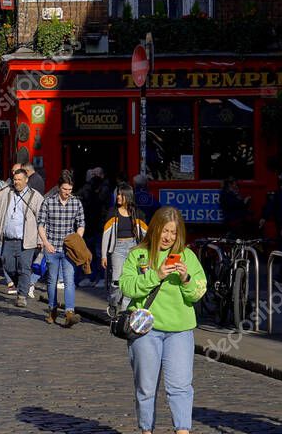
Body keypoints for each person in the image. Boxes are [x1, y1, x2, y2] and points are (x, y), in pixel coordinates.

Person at [119, 206, 207, 434]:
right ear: (156, 229)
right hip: (144, 330)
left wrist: (186, 278)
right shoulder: (138, 255)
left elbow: (198, 292)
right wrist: (155, 275)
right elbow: (127, 287)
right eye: (165, 231)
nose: (169, 237)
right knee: (146, 388)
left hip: (179, 330)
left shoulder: (187, 256)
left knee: (180, 386)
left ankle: (183, 430)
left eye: (174, 233)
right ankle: (146, 430)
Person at [0, 167, 44, 308]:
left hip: (27, 240)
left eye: (19, 180)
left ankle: (22, 296)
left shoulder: (35, 196)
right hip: (8, 238)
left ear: (26, 180)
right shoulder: (6, 193)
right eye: (15, 179)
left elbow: (43, 219)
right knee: (8, 266)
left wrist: (40, 239)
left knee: (24, 267)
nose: (16, 182)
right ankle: (22, 285)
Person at [38, 171, 86, 327]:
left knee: (69, 281)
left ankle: (69, 313)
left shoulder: (76, 203)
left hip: (68, 250)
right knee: (51, 281)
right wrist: (46, 243)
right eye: (65, 189)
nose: (67, 193)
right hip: (52, 247)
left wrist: (77, 240)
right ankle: (52, 309)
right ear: (59, 187)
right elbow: (41, 225)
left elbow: (81, 224)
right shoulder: (48, 202)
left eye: (70, 190)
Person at [103, 183, 148, 313]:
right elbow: (106, 235)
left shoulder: (137, 213)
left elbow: (146, 233)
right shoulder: (112, 213)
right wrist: (104, 255)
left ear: (128, 196)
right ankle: (113, 302)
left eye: (121, 194)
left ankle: (124, 310)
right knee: (116, 280)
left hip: (134, 248)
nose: (118, 197)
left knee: (131, 279)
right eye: (118, 194)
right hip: (117, 248)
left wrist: (147, 250)